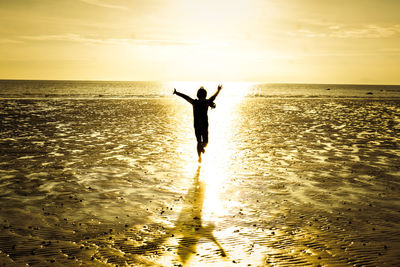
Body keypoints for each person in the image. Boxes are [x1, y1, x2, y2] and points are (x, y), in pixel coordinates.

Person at [173, 85, 222, 162]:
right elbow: (214, 96)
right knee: (205, 142)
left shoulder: (194, 102)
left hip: (197, 126)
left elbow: (185, 97)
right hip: (204, 125)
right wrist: (218, 90)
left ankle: (199, 157)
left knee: (198, 141)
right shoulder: (207, 102)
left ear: (198, 95)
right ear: (205, 95)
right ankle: (202, 148)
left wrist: (176, 92)